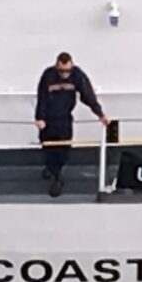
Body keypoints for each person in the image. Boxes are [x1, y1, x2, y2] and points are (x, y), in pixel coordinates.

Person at [32, 52, 108, 198]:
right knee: (48, 147)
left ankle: (57, 173)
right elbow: (41, 97)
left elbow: (88, 95)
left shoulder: (77, 75)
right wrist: (39, 118)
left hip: (64, 118)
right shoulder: (48, 76)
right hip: (48, 119)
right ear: (56, 66)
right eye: (61, 71)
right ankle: (54, 173)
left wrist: (100, 114)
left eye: (67, 71)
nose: (64, 74)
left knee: (64, 148)